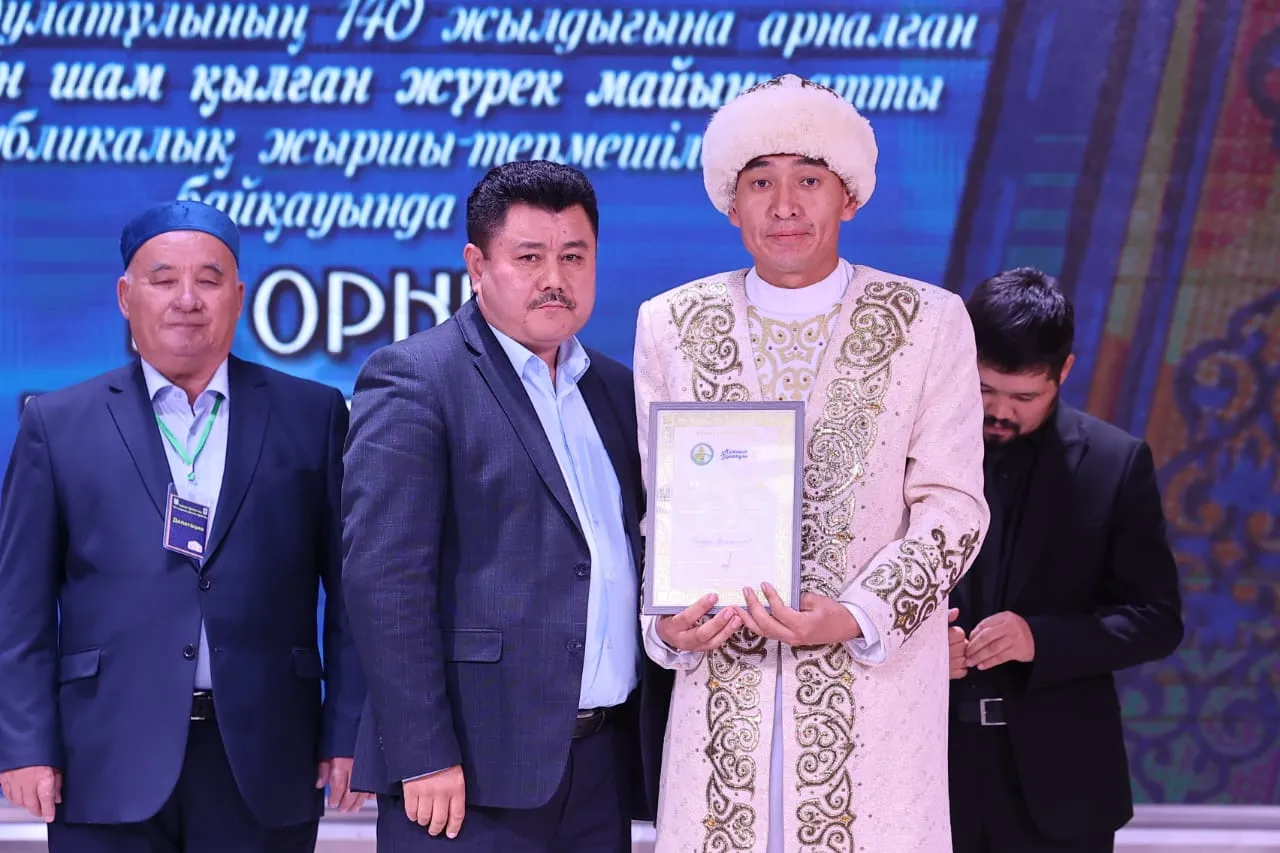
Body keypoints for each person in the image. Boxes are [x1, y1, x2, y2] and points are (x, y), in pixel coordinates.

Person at [633, 73, 990, 852]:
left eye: (809, 179)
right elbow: (665, 506)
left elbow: (954, 508)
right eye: (760, 181)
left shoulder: (927, 321)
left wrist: (857, 612)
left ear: (849, 196)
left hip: (874, 697)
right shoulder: (672, 324)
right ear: (731, 203)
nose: (785, 205)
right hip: (721, 695)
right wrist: (665, 623)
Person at [0, 200, 368, 852]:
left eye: (209, 279)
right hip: (102, 756)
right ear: (126, 296)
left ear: (240, 297)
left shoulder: (312, 415)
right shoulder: (57, 423)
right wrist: (24, 742)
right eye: (164, 279)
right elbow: (18, 605)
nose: (188, 299)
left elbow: (351, 593)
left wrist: (348, 730)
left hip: (266, 755)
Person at [341, 160, 671, 852]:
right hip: (468, 774)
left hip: (601, 766)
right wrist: (423, 753)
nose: (555, 278)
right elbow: (384, 582)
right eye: (529, 257)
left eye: (574, 256)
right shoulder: (416, 377)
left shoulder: (614, 388)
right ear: (477, 265)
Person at [947, 267, 1184, 853]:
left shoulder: (1113, 463)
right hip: (923, 774)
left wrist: (1041, 639)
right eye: (984, 389)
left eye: (1024, 397)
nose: (1000, 411)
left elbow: (1156, 620)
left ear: (1065, 372)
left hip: (1062, 788)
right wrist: (915, 646)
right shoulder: (905, 454)